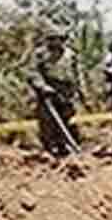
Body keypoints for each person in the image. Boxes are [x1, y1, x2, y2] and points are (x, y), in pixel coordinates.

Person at [33, 29, 83, 157]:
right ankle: (50, 148)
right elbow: (33, 72)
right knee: (48, 122)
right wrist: (42, 86)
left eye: (60, 39)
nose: (57, 42)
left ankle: (67, 146)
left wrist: (79, 90)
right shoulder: (40, 54)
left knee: (68, 119)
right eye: (53, 39)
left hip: (66, 91)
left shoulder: (71, 54)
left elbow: (77, 73)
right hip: (48, 91)